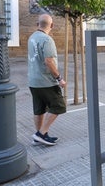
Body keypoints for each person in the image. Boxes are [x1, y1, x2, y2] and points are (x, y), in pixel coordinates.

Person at [28, 13, 67, 146]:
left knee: (39, 109)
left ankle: (39, 136)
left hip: (33, 81)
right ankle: (41, 133)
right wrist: (59, 78)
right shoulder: (47, 39)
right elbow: (49, 61)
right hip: (46, 82)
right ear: (52, 25)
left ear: (37, 24)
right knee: (59, 106)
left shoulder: (31, 38)